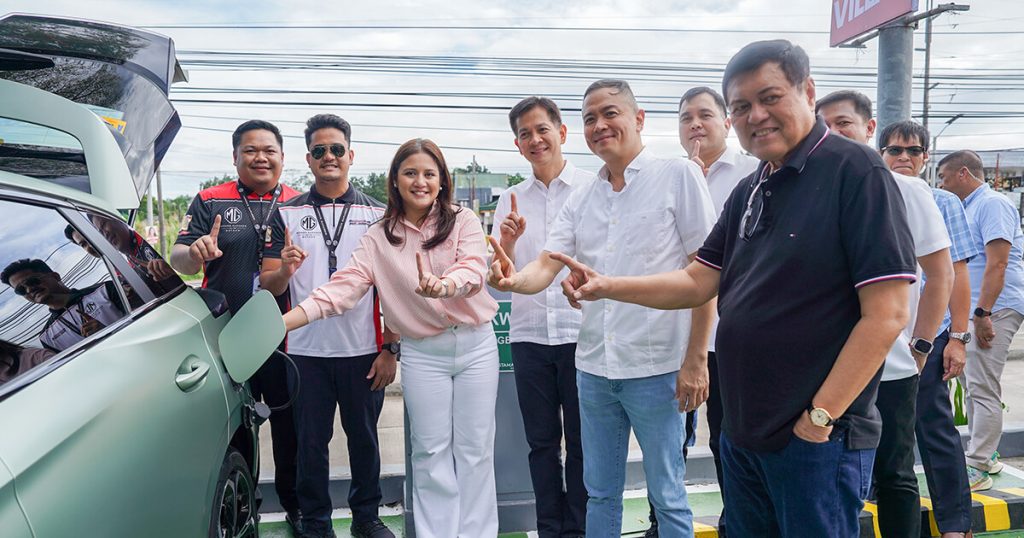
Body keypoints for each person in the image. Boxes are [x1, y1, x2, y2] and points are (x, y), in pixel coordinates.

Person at [548, 41, 916, 537]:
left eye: (769, 98)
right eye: (742, 106)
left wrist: (820, 418)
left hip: (812, 440)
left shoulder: (856, 172)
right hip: (744, 434)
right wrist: (608, 285)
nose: (755, 115)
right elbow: (698, 279)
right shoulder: (753, 186)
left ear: (807, 92)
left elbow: (887, 313)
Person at [489, 79, 717, 537]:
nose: (599, 125)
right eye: (590, 118)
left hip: (657, 367)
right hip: (593, 369)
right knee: (600, 494)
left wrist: (695, 359)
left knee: (668, 496)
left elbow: (706, 275)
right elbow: (544, 266)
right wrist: (512, 280)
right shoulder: (583, 197)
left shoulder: (678, 176)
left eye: (609, 113)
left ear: (639, 119)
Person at [283, 139, 500, 538]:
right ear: (395, 181)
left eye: (429, 174)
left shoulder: (463, 219)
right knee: (430, 452)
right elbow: (343, 288)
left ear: (442, 181)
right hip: (423, 353)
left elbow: (474, 268)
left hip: (475, 345)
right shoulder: (379, 236)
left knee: (474, 451)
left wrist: (446, 285)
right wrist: (286, 323)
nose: (420, 181)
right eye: (410, 173)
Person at [818, 91, 955, 538]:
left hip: (892, 365)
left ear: (868, 129)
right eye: (825, 125)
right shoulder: (813, 190)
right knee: (832, 473)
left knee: (894, 475)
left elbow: (941, 273)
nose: (834, 134)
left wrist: (920, 345)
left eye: (844, 124)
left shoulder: (906, 189)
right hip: (827, 366)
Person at [260, 114, 397, 538]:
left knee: (365, 443)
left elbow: (391, 287)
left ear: (351, 155)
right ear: (309, 158)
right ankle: (316, 522)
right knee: (310, 448)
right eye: (319, 150)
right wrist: (284, 269)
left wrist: (391, 349)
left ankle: (366, 519)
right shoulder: (286, 213)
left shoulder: (378, 212)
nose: (329, 157)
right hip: (305, 352)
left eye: (337, 149)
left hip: (363, 350)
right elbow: (268, 283)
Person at [170, 120, 303, 532]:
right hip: (225, 335)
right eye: (250, 150)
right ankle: (243, 506)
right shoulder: (211, 200)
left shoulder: (301, 203)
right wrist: (194, 254)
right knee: (233, 426)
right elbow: (177, 258)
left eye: (269, 150)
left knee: (289, 427)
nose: (260, 157)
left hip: (287, 337)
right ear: (235, 157)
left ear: (282, 157)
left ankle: (295, 508)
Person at [641, 85, 760, 538]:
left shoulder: (753, 172)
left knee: (732, 436)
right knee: (669, 440)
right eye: (686, 117)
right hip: (678, 331)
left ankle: (738, 521)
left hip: (734, 333)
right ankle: (662, 524)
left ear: (727, 122)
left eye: (705, 115)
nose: (695, 124)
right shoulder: (669, 176)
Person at [490, 96, 591, 538]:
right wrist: (508, 247)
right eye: (525, 134)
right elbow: (498, 281)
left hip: (584, 335)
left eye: (542, 129)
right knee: (541, 445)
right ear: (517, 144)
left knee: (587, 445)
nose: (535, 140)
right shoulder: (509, 201)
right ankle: (551, 529)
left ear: (562, 132)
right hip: (530, 337)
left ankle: (582, 528)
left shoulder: (595, 187)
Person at [875, 119, 979, 536]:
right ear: (880, 153)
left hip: (925, 339)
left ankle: (955, 524)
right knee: (880, 439)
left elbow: (954, 274)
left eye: (913, 151)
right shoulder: (868, 196)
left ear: (925, 159)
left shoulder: (942, 202)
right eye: (895, 150)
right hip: (876, 339)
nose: (903, 158)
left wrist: (956, 337)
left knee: (935, 434)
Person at [938, 149, 1024, 492]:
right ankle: (983, 455)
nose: (941, 183)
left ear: (962, 173)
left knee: (982, 385)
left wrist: (983, 313)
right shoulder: (970, 206)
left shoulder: (992, 204)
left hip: (994, 309)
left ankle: (977, 463)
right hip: (981, 309)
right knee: (976, 384)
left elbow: (998, 263)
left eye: (943, 176)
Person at [1, 258, 126, 352]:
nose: (29, 290)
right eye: (21, 290)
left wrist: (108, 332)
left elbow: (143, 317)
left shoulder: (105, 290)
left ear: (55, 276)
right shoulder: (47, 337)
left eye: (32, 281)